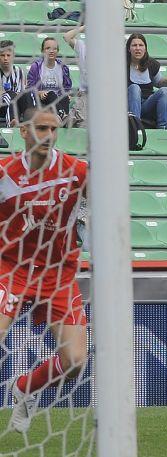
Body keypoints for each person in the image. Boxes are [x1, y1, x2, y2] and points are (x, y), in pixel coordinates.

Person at [1, 108, 88, 433]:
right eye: (41, 128)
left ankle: (25, 386)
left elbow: (106, 199)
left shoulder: (76, 171)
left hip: (58, 272)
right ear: (23, 131)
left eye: (54, 129)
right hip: (11, 267)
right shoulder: (5, 173)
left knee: (75, 363)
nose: (49, 135)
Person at [126, 33, 167, 129]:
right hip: (128, 105)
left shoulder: (152, 64)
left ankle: (163, 127)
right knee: (134, 88)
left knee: (165, 91)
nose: (138, 48)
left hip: (147, 105)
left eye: (141, 45)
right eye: (134, 45)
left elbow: (159, 83)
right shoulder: (120, 64)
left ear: (145, 48)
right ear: (129, 49)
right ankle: (135, 127)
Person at [27, 38, 72, 122]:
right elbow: (29, 88)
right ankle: (64, 117)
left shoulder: (63, 67)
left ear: (57, 51)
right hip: (42, 102)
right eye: (48, 48)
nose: (51, 51)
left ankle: (62, 119)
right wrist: (38, 93)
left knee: (65, 97)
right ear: (43, 51)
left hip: (59, 101)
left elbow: (66, 88)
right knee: (51, 94)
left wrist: (67, 94)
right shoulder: (36, 67)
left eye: (54, 48)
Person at [63, 25, 87, 127]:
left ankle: (73, 116)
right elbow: (67, 37)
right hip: (85, 94)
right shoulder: (83, 46)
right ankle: (73, 117)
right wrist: (84, 27)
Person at [0, 41, 26, 127]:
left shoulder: (19, 72)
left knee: (22, 96)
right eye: (2, 55)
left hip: (16, 105)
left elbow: (22, 94)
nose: (5, 58)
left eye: (8, 55)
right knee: (10, 94)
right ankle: (11, 123)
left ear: (13, 56)